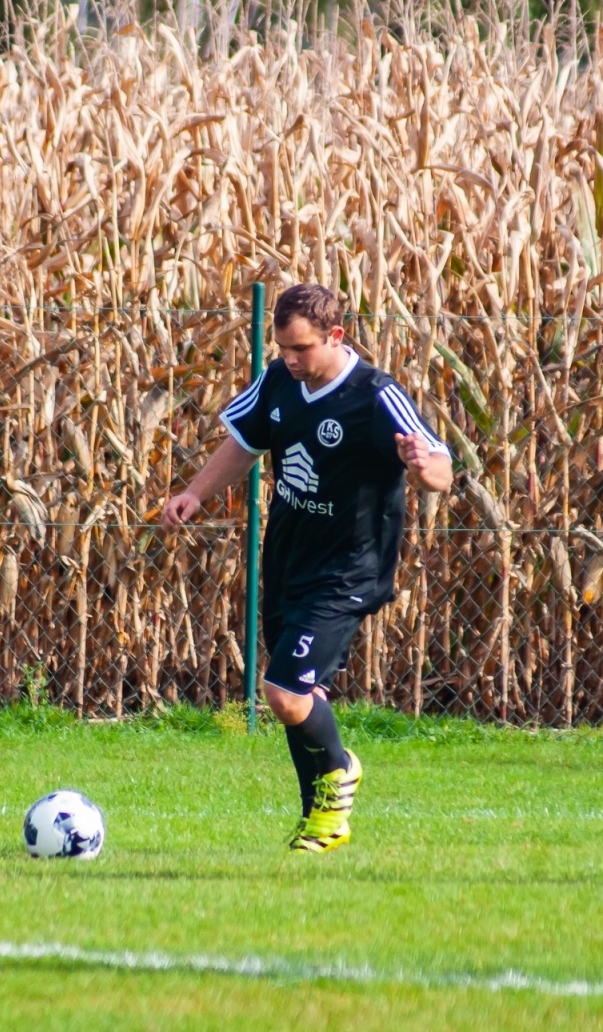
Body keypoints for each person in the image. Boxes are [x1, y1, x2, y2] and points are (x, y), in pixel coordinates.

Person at [161, 283, 453, 852]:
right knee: (301, 696)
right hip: (290, 557)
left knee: (284, 693)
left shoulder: (375, 395)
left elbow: (438, 468)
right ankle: (319, 820)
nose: (291, 359)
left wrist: (422, 466)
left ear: (335, 336)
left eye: (302, 349)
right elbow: (246, 441)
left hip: (350, 567)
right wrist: (194, 493)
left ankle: (340, 769)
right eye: (283, 347)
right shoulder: (279, 379)